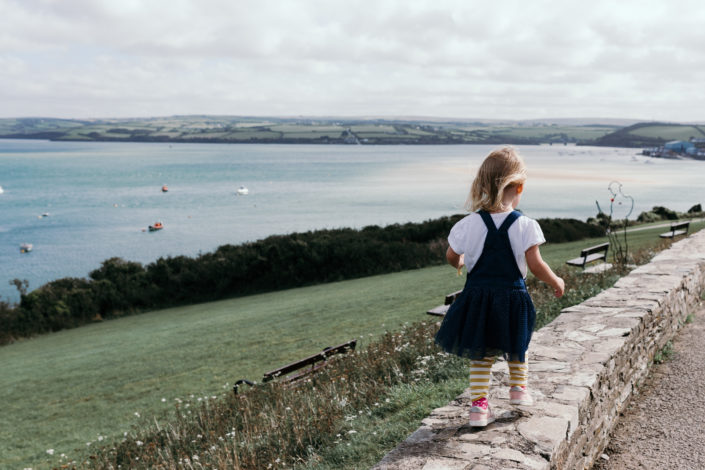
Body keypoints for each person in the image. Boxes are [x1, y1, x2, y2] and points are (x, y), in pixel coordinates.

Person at [435, 146, 565, 427]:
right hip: (512, 296)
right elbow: (536, 264)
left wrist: (459, 264)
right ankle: (518, 390)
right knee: (518, 343)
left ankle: (479, 407)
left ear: (482, 185)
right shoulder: (526, 225)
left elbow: (451, 256)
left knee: (481, 352)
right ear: (518, 187)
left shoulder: (468, 225)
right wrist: (556, 280)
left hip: (477, 297)